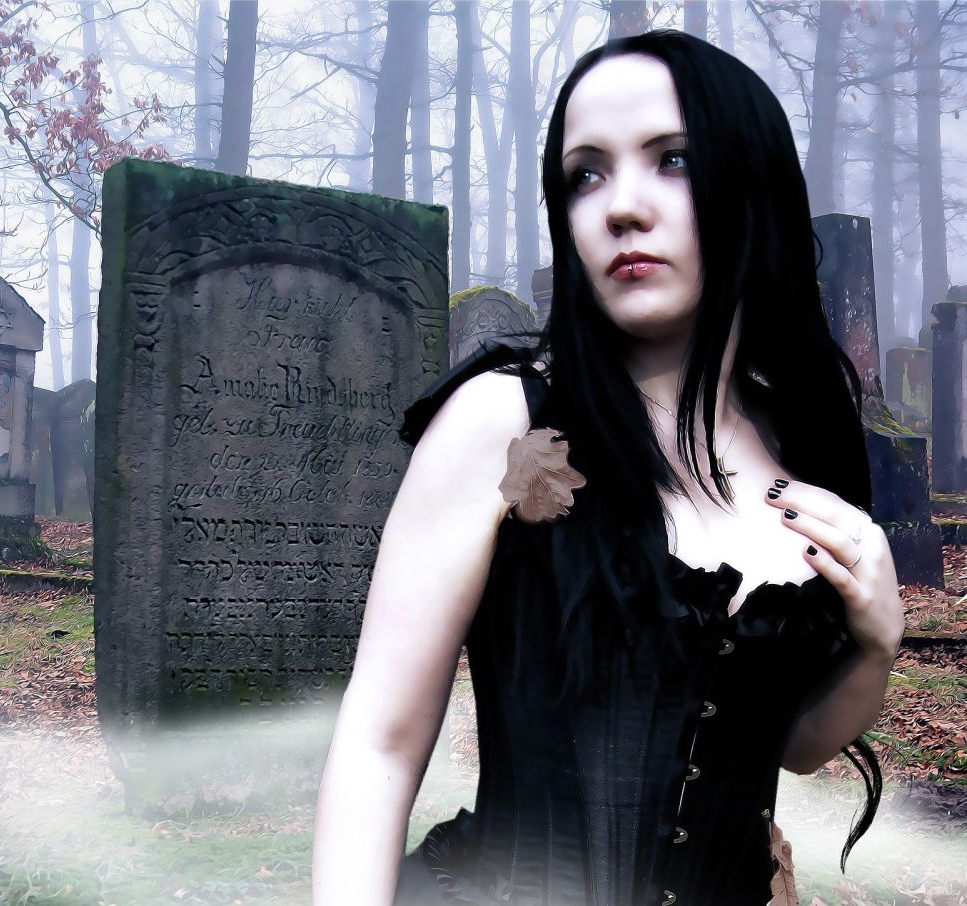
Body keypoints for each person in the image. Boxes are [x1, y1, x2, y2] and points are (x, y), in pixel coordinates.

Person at [312, 28, 905, 906]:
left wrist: (877, 645)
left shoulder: (800, 450)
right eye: (584, 173)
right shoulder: (508, 425)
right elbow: (380, 744)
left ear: (753, 183)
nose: (620, 207)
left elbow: (794, 746)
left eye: (672, 160)